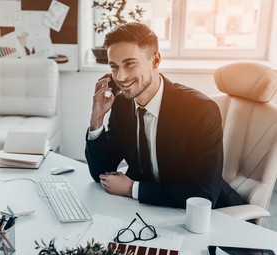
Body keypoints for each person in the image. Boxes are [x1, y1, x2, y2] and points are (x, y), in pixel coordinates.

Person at [85, 22, 245, 209]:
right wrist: (96, 119)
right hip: (152, 210)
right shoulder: (122, 105)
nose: (120, 77)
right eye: (114, 67)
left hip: (209, 215)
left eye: (129, 64)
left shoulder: (200, 111)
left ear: (155, 60)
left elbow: (203, 194)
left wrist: (132, 189)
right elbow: (101, 173)